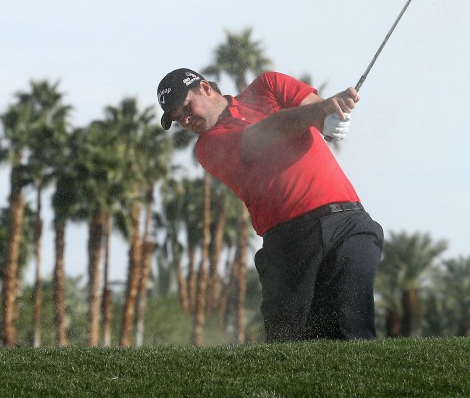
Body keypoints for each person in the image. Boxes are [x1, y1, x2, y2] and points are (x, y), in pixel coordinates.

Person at [156, 67, 384, 342]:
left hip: (349, 223)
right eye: (178, 119)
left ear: (205, 88)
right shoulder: (208, 147)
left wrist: (332, 115)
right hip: (290, 242)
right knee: (288, 343)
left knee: (353, 331)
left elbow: (317, 109)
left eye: (185, 107)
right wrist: (320, 112)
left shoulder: (268, 85)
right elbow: (264, 134)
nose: (185, 119)